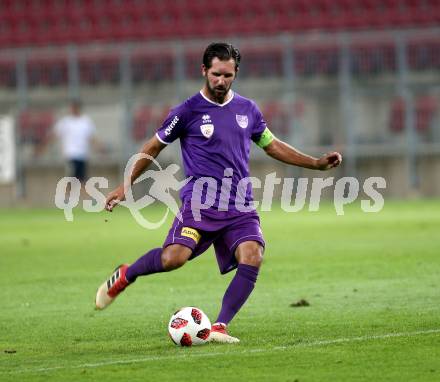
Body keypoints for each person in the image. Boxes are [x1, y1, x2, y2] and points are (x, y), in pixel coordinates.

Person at [95, 43, 342, 343]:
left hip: (240, 204)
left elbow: (272, 144)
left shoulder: (248, 110)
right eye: (215, 74)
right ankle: (126, 274)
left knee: (253, 255)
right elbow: (153, 147)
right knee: (173, 259)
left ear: (235, 73)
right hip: (200, 205)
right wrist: (126, 185)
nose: (221, 81)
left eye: (227, 75)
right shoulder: (186, 111)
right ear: (204, 71)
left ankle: (219, 326)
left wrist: (314, 163)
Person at [53, 99, 98, 185]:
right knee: (71, 178)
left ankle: (81, 197)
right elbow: (55, 135)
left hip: (82, 154)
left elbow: (91, 137)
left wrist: (99, 148)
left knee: (82, 179)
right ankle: (67, 196)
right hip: (71, 154)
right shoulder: (65, 121)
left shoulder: (86, 121)